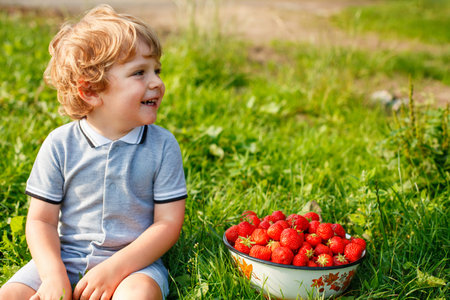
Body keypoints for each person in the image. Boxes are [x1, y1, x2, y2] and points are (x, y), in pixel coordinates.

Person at [0, 4, 187, 300]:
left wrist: (115, 268)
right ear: (91, 91)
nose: (157, 83)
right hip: (63, 258)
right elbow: (40, 221)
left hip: (133, 264)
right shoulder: (60, 144)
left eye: (156, 70)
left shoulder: (162, 146)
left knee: (137, 296)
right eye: (139, 72)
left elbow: (168, 223)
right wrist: (52, 276)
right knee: (10, 295)